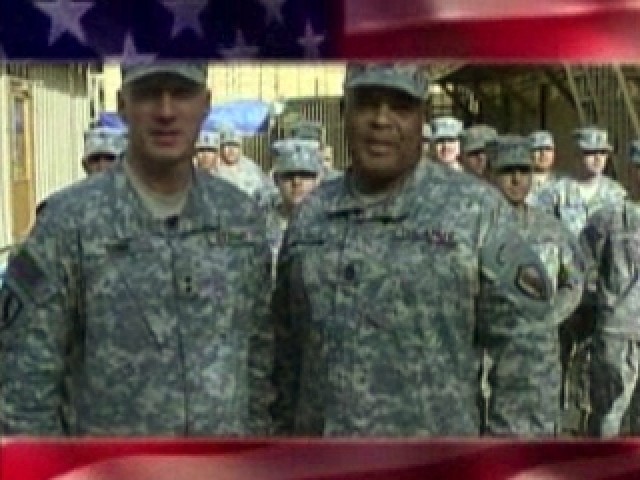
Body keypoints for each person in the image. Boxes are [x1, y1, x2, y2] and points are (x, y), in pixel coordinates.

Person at [270, 63, 554, 436]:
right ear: (345, 112)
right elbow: (284, 354)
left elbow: (529, 348)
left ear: (422, 117)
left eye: (400, 106)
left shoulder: (475, 211)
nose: (382, 121)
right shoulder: (311, 217)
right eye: (368, 104)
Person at [0, 63, 273, 436]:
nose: (165, 111)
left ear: (206, 104)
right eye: (148, 93)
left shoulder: (242, 221)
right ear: (122, 104)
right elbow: (24, 390)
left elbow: (260, 367)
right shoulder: (67, 226)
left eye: (181, 93)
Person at [483, 135, 585, 436]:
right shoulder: (475, 225)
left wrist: (551, 314)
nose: (516, 179)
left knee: (540, 439)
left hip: (539, 356)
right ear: (491, 174)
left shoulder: (551, 228)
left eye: (523, 171)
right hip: (489, 351)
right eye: (507, 171)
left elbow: (575, 279)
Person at [536, 126, 627, 434]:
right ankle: (555, 422)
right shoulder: (555, 192)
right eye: (590, 153)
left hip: (601, 294)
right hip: (563, 290)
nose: (597, 159)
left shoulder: (616, 195)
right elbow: (542, 237)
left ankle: (588, 422)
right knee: (557, 357)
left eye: (602, 154)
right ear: (577, 155)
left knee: (595, 365)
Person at [581, 139, 640, 437]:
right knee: (608, 419)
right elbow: (580, 264)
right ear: (632, 172)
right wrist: (601, 304)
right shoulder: (610, 217)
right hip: (618, 335)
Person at [266, 140, 322, 280]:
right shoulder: (257, 225)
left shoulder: (332, 226)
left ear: (318, 180)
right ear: (275, 179)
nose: (297, 182)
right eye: (288, 175)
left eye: (305, 174)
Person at [215, 124, 276, 205]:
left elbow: (270, 188)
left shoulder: (251, 166)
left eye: (235, 145)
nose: (231, 150)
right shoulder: (214, 169)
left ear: (240, 148)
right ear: (221, 147)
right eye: (227, 145)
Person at [526, 130, 561, 207]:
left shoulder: (564, 182)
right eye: (538, 149)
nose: (543, 154)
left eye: (548, 149)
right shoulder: (520, 182)